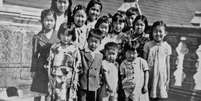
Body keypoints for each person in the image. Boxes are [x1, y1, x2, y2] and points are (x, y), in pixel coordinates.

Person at [46, 23, 81, 101]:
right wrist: (50, 77)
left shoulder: (74, 49)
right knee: (57, 97)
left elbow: (77, 66)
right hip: (56, 78)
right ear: (60, 34)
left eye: (68, 35)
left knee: (67, 97)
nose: (65, 38)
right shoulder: (55, 47)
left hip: (68, 79)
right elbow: (50, 63)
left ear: (72, 36)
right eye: (63, 35)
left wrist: (75, 79)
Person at [30, 9, 59, 101]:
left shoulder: (58, 36)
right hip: (40, 68)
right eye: (47, 20)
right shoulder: (37, 37)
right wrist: (33, 70)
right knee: (38, 92)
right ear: (42, 21)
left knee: (50, 91)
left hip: (54, 68)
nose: (49, 23)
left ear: (55, 21)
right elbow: (34, 55)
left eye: (51, 20)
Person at [144, 21, 171, 101]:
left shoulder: (167, 47)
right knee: (148, 96)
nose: (158, 34)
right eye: (155, 31)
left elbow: (167, 64)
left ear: (165, 33)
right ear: (152, 32)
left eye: (160, 31)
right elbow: (144, 63)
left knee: (159, 96)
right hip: (150, 76)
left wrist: (168, 79)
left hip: (161, 76)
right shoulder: (148, 45)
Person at [78, 29, 104, 101]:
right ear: (87, 40)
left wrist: (99, 81)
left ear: (100, 43)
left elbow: (100, 71)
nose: (93, 44)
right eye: (91, 41)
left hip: (94, 84)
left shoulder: (100, 55)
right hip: (83, 83)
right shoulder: (82, 53)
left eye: (96, 42)